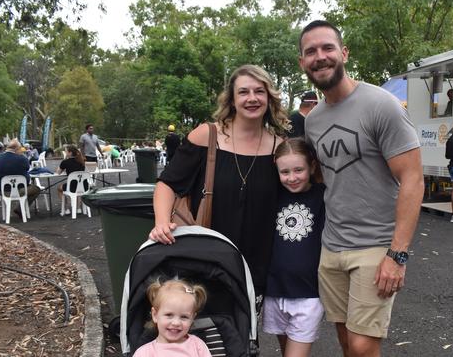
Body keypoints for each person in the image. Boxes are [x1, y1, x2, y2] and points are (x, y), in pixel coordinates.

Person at [298, 20, 423, 357]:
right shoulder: (314, 120)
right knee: (345, 342)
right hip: (332, 247)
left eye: (327, 48)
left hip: (375, 246)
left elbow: (413, 179)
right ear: (302, 63)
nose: (320, 57)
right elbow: (326, 177)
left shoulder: (381, 105)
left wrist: (397, 255)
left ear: (344, 53)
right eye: (311, 51)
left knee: (363, 346)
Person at [149, 64, 288, 300]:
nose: (252, 98)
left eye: (259, 91)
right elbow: (168, 184)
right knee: (199, 332)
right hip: (203, 261)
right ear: (232, 100)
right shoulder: (207, 135)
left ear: (269, 98)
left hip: (254, 268)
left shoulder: (279, 147)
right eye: (243, 92)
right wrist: (161, 222)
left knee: (243, 333)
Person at [263, 138, 325, 357]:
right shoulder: (273, 196)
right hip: (275, 290)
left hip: (308, 294)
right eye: (285, 172)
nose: (292, 178)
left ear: (312, 166)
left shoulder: (322, 196)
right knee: (286, 351)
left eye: (299, 170)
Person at [133, 278, 211, 357]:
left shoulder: (197, 346)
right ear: (155, 315)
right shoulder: (145, 353)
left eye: (184, 317)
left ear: (192, 319)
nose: (176, 323)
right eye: (169, 315)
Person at [0, 139, 40, 218]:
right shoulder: (22, 159)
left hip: (2, 190)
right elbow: (27, 168)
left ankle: (18, 209)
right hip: (19, 190)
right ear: (16, 149)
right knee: (36, 189)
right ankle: (20, 209)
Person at [56, 145, 86, 214]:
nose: (65, 153)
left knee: (59, 189)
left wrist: (64, 161)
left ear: (70, 153)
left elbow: (58, 172)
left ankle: (67, 208)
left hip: (71, 186)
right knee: (78, 189)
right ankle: (78, 208)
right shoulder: (81, 161)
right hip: (83, 186)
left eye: (66, 151)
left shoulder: (65, 162)